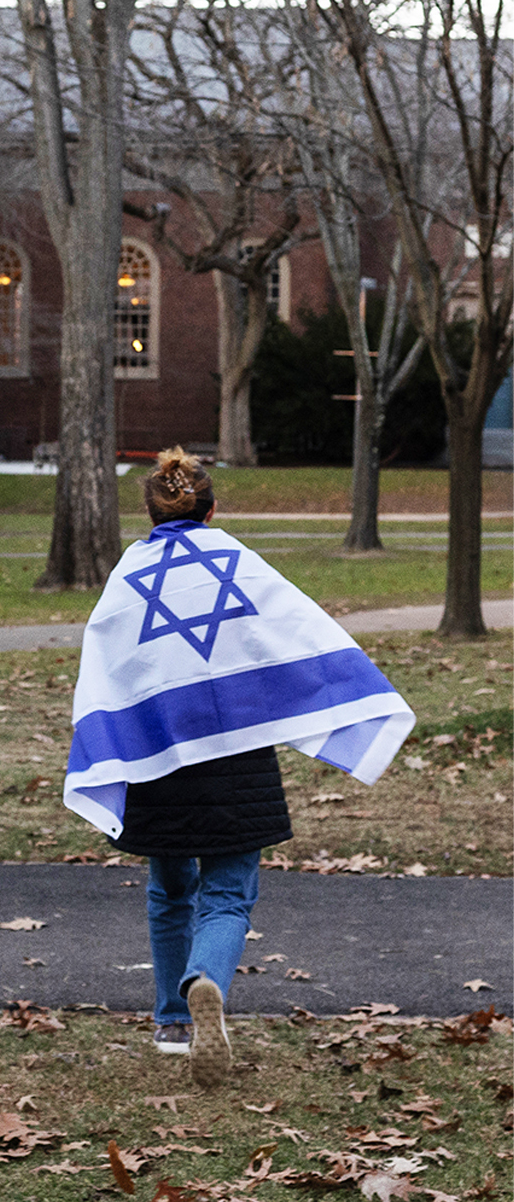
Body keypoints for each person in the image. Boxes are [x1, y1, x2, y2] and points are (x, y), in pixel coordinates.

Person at [65, 448, 413, 1087]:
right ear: (212, 507)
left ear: (149, 511)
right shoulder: (239, 566)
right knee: (227, 892)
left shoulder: (126, 579)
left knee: (169, 890)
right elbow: (299, 636)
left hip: (157, 758)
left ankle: (173, 1020)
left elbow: (105, 675)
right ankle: (208, 982)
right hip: (237, 760)